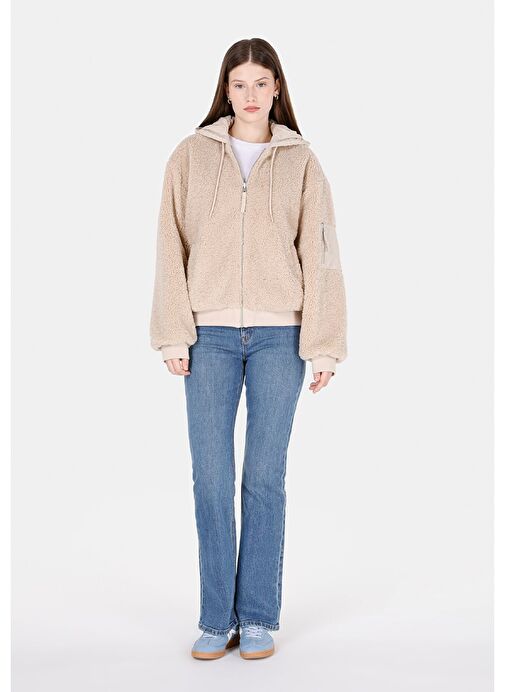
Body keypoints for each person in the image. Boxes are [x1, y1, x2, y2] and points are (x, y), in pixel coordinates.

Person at [150, 37, 348, 660]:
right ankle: (217, 618)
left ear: (277, 88)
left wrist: (323, 343)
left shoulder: (301, 162)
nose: (251, 95)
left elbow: (321, 253)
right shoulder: (190, 155)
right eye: (240, 84)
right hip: (206, 337)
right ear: (226, 90)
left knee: (264, 478)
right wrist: (173, 331)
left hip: (279, 338)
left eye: (262, 83)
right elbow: (169, 246)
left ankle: (257, 615)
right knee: (211, 479)